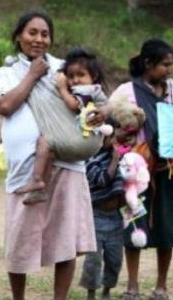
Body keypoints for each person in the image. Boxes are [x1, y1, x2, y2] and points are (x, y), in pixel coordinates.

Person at [0, 11, 102, 300]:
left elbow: (89, 98)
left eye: (44, 33)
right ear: (18, 36)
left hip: (67, 162)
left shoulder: (63, 69)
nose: (39, 39)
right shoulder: (7, 72)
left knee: (65, 237)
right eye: (32, 32)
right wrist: (31, 76)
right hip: (25, 170)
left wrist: (99, 114)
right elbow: (5, 107)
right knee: (19, 235)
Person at [110, 38, 173, 300]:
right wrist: (123, 134)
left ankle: (161, 285)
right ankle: (132, 284)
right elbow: (112, 118)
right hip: (137, 172)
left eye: (171, 64)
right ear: (148, 64)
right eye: (165, 64)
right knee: (134, 223)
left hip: (171, 170)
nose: (169, 70)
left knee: (168, 226)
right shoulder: (127, 91)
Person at [21, 48, 109, 204]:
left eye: (81, 75)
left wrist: (62, 88)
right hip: (86, 140)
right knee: (50, 154)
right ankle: (40, 191)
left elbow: (75, 106)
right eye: (71, 76)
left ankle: (37, 179)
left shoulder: (87, 90)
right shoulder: (93, 89)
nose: (75, 80)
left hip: (83, 139)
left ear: (93, 76)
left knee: (44, 142)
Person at [80, 130, 124, 300]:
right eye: (112, 137)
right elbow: (103, 180)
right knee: (93, 259)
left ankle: (107, 291)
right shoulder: (90, 160)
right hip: (96, 216)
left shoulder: (119, 158)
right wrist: (115, 160)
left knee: (115, 259)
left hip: (116, 217)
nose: (115, 140)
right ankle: (91, 294)